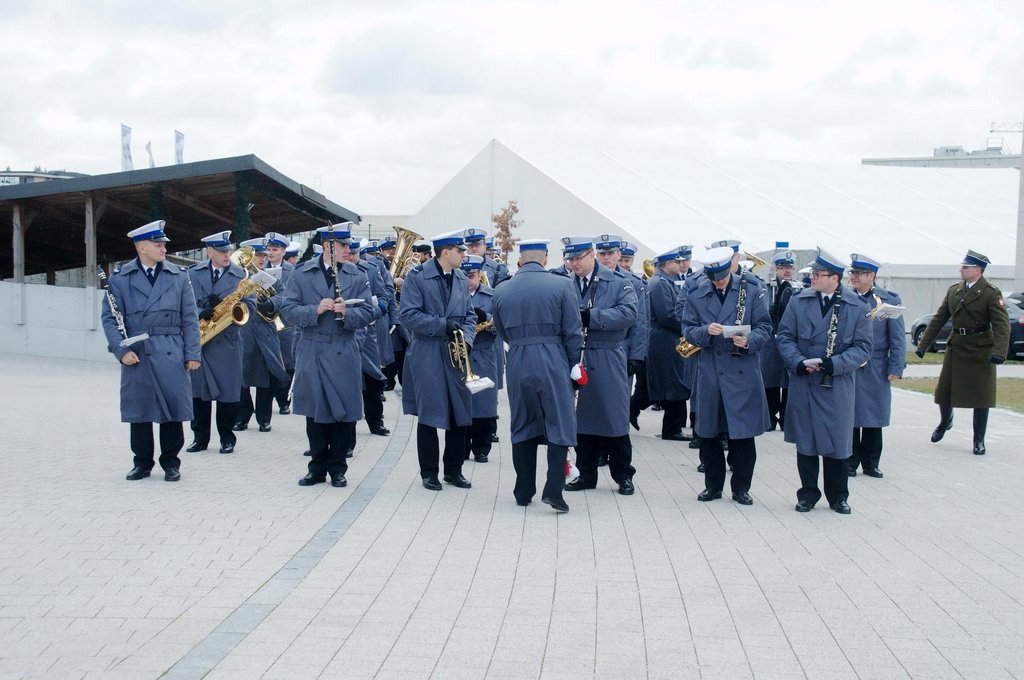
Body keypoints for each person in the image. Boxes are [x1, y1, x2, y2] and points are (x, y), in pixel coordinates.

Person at [100, 220, 200, 482]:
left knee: (172, 408)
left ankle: (171, 462)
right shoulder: (120, 278)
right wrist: (120, 351)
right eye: (158, 245)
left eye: (164, 244)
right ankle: (142, 463)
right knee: (140, 409)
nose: (164, 249)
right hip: (138, 351)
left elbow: (190, 319)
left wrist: (192, 353)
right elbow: (110, 318)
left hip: (170, 349)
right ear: (142, 247)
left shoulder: (179, 276)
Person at [776, 248, 871, 514]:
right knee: (806, 441)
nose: (813, 278)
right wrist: (797, 362)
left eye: (818, 274)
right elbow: (785, 337)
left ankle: (838, 496)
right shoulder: (799, 301)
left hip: (835, 383)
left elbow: (863, 347)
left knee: (837, 441)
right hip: (805, 381)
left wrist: (835, 364)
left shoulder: (857, 306)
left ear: (835, 278)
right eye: (813, 274)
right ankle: (808, 493)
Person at [492, 239, 584, 511]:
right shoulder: (562, 285)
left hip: (518, 357)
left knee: (522, 422)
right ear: (545, 259)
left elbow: (501, 329)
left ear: (520, 260)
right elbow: (573, 331)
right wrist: (573, 365)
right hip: (553, 357)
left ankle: (523, 491)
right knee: (559, 421)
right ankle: (554, 490)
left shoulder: (502, 289)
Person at [280, 223, 374, 487]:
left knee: (343, 411)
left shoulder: (357, 275)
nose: (348, 250)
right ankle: (317, 467)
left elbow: (369, 312)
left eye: (349, 246)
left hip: (343, 347)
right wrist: (315, 310)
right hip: (313, 347)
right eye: (342, 245)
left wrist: (348, 313)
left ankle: (338, 468)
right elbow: (287, 311)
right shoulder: (302, 273)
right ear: (327, 246)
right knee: (316, 412)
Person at [680, 246, 771, 505]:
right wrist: (705, 331)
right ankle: (713, 486)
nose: (719, 282)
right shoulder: (697, 293)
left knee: (742, 434)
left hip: (742, 369)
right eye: (714, 279)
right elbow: (688, 330)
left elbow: (765, 327)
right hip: (710, 369)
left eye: (722, 277)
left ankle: (741, 488)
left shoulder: (750, 289)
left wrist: (750, 340)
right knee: (708, 432)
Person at [560, 236, 639, 495]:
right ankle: (586, 474)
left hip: (607, 353)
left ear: (591, 255)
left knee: (614, 416)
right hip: (576, 355)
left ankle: (623, 475)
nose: (574, 264)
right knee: (582, 418)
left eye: (578, 258)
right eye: (570, 259)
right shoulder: (565, 282)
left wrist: (592, 317)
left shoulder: (618, 282)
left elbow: (629, 314)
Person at [400, 230, 477, 491]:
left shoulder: (460, 277)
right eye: (459, 250)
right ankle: (429, 473)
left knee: (459, 412)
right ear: (445, 252)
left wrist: (467, 340)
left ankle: (454, 471)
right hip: (428, 352)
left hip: (456, 352)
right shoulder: (417, 277)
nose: (464, 254)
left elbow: (469, 316)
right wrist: (442, 324)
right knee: (429, 414)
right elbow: (408, 316)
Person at [915, 250, 1010, 455]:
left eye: (965, 267)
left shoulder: (991, 293)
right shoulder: (954, 291)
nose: (961, 270)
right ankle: (945, 421)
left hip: (980, 349)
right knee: (944, 392)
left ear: (978, 270)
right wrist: (923, 345)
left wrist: (999, 352)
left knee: (982, 397)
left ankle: (979, 439)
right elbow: (939, 318)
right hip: (956, 346)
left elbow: (1002, 325)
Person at [186, 231, 251, 455]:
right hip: (200, 341)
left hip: (227, 341)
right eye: (221, 251)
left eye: (228, 250)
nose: (227, 255)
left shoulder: (241, 275)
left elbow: (249, 305)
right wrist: (200, 311)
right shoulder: (192, 273)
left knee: (228, 393)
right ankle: (200, 438)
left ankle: (227, 438)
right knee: (198, 393)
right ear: (209, 251)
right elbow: (183, 302)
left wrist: (229, 310)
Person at [847, 253, 905, 477]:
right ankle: (850, 461)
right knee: (850, 415)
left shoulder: (888, 300)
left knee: (874, 415)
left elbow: (897, 337)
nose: (854, 277)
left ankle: (871, 463)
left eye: (859, 273)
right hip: (851, 364)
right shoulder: (845, 298)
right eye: (853, 272)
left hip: (876, 365)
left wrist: (895, 367)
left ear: (871, 276)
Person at [234, 237, 288, 433]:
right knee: (241, 376)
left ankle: (264, 418)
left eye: (265, 255)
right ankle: (242, 416)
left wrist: (271, 303)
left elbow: (283, 294)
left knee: (267, 376)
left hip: (266, 330)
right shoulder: (237, 275)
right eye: (258, 255)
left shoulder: (270, 277)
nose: (263, 258)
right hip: (244, 330)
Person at [643, 247, 693, 440]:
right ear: (668, 264)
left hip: (668, 337)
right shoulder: (660, 283)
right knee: (674, 383)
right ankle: (672, 429)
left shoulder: (665, 281)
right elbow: (667, 315)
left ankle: (674, 427)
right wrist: (689, 326)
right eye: (677, 262)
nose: (681, 265)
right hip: (665, 338)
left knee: (676, 382)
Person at [348, 239, 392, 437]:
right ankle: (346, 429)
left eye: (354, 254)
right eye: (348, 253)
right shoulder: (334, 272)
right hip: (343, 334)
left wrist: (376, 311)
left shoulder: (372, 269)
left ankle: (376, 422)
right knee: (346, 382)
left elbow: (384, 295)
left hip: (367, 333)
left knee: (372, 378)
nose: (351, 257)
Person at [461, 255, 500, 462]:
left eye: (471, 276)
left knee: (484, 402)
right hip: (460, 353)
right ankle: (462, 446)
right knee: (462, 401)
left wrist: (487, 319)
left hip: (483, 352)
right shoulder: (453, 293)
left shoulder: (491, 296)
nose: (468, 280)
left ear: (478, 275)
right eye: (464, 276)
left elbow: (501, 325)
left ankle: (482, 448)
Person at [760, 250, 798, 431]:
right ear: (776, 269)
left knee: (789, 381)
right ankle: (769, 417)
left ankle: (786, 419)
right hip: (770, 340)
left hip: (791, 340)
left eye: (789, 267)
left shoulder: (798, 289)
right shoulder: (766, 288)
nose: (787, 271)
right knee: (770, 379)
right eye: (783, 267)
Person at [263, 232, 296, 417]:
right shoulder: (260, 268)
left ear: (283, 251)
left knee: (287, 362)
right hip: (266, 321)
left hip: (285, 322)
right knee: (269, 364)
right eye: (268, 249)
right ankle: (267, 404)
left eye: (275, 249)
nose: (270, 253)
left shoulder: (292, 271)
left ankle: (284, 401)